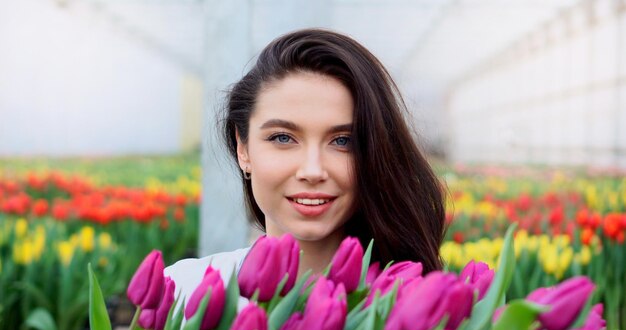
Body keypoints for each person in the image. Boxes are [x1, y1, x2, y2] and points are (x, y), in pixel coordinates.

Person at [164, 27, 446, 307]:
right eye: (283, 138)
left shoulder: (408, 305)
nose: (313, 171)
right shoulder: (182, 292)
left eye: (343, 141)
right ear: (243, 148)